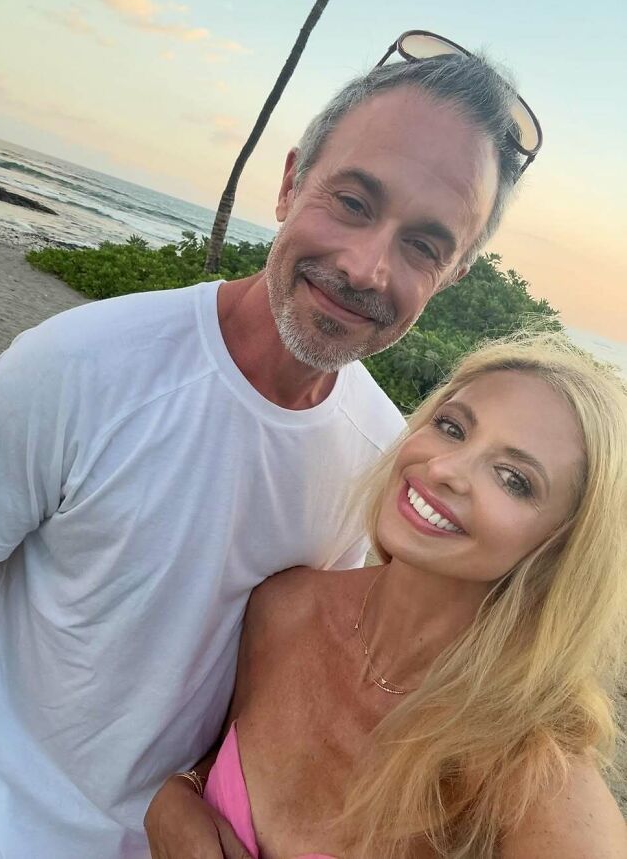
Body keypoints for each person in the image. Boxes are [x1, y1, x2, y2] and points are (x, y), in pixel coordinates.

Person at [0, 31, 539, 858]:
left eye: (423, 245)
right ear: (290, 183)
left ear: (454, 272)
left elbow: (306, 675)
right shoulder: (79, 365)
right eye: (353, 202)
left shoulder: (388, 459)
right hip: (10, 830)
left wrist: (188, 791)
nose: (367, 267)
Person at [153, 333, 627, 859]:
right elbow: (223, 763)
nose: (444, 469)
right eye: (452, 428)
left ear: (563, 547)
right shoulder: (285, 608)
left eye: (513, 478)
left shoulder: (532, 769)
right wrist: (180, 796)